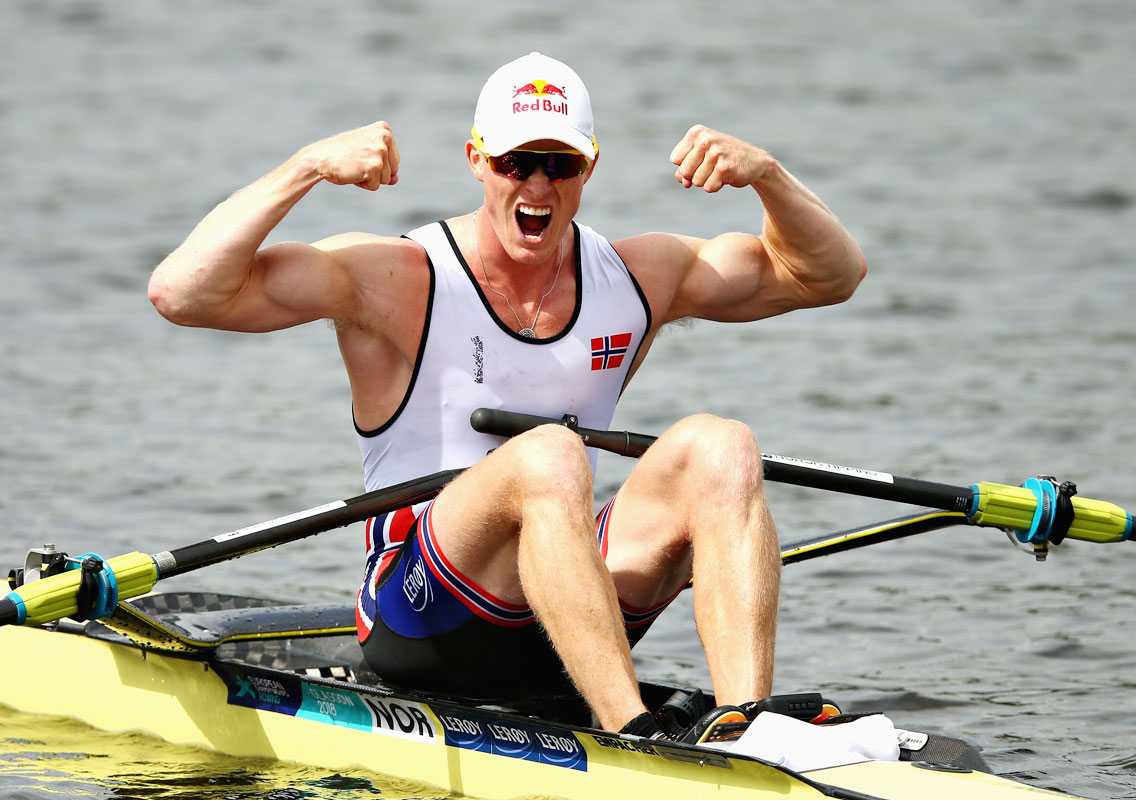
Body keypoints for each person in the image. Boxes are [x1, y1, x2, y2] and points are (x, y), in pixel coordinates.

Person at [148, 52, 866, 740]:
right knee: (549, 453)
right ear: (476, 162)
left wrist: (769, 176)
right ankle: (629, 731)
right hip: (420, 617)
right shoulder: (396, 277)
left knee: (722, 445)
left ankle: (751, 724)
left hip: (568, 609)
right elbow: (181, 294)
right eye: (515, 162)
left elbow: (827, 276)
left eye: (559, 165)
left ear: (588, 167)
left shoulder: (637, 277)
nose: (538, 187)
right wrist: (304, 167)